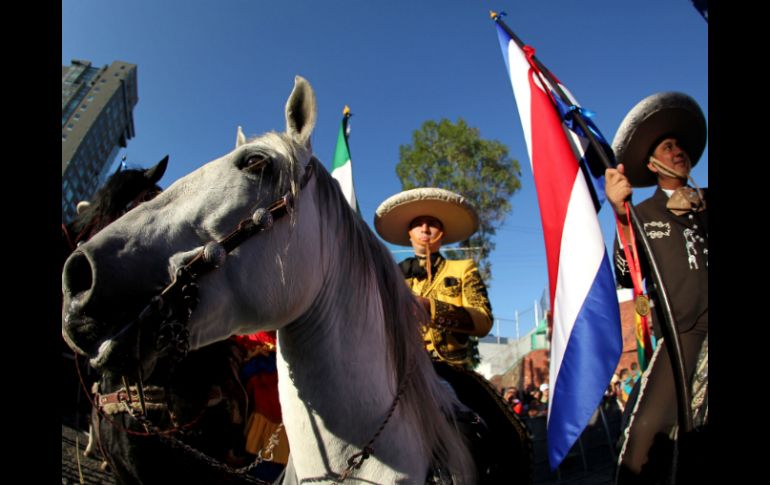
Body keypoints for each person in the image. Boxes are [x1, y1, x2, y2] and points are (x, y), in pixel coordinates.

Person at [604, 92, 708, 483]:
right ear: (652, 163)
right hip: (680, 337)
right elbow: (625, 275)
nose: (678, 150)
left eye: (680, 145)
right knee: (646, 432)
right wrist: (620, 215)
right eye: (668, 146)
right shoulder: (642, 213)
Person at [374, 187, 493, 369]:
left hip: (452, 370)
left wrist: (431, 308)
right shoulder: (394, 275)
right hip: (401, 367)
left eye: (431, 223)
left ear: (442, 232)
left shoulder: (463, 268)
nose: (425, 228)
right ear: (409, 233)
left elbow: (483, 320)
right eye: (418, 224)